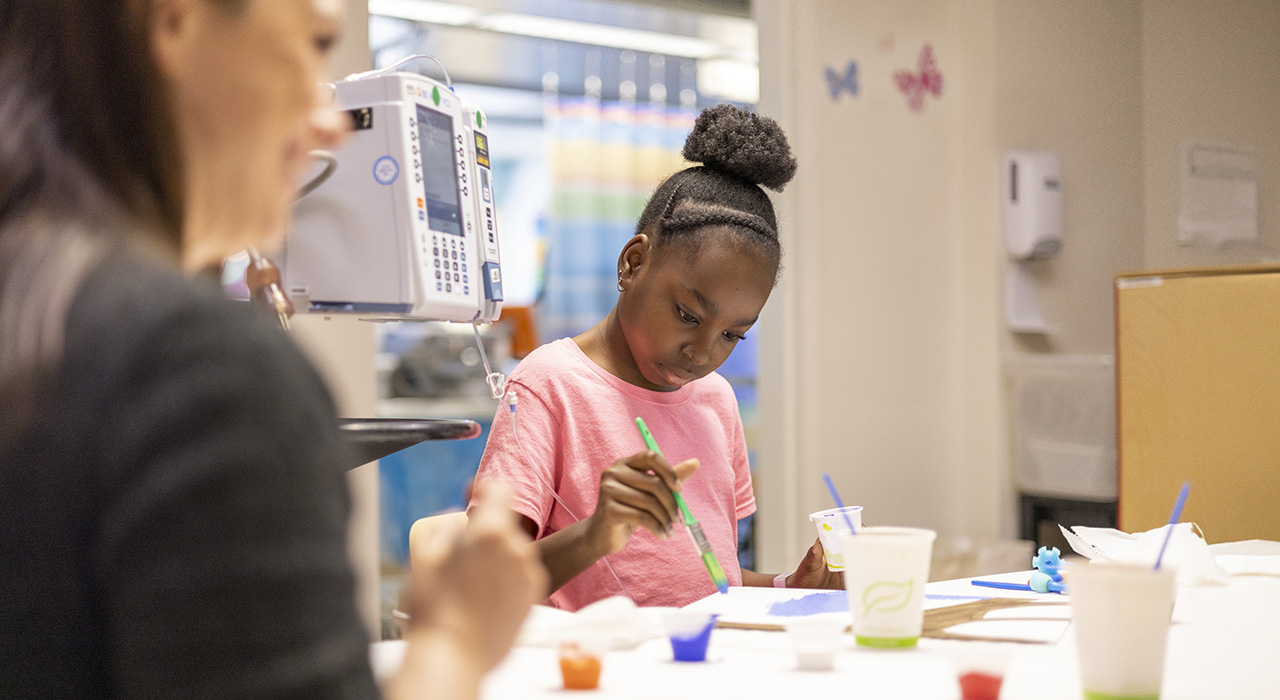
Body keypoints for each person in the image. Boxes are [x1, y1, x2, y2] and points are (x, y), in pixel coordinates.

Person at [0, 1, 546, 698]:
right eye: (314, 45)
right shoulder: (197, 368)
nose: (328, 124)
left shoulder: (38, 310)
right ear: (177, 23)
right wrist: (457, 639)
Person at [469, 104, 841, 611]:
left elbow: (708, 578)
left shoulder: (716, 401)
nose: (703, 353)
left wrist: (786, 587)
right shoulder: (550, 386)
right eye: (688, 315)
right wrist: (596, 534)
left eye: (734, 335)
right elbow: (484, 584)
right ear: (634, 262)